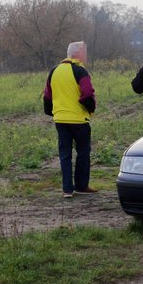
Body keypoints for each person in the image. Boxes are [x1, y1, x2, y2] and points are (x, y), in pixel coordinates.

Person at [43, 41, 98, 198]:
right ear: (79, 54)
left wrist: (52, 112)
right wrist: (91, 108)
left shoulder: (54, 71)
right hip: (79, 120)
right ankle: (81, 186)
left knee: (65, 155)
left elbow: (47, 95)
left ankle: (67, 190)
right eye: (85, 52)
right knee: (83, 152)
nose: (86, 56)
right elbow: (87, 93)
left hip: (60, 120)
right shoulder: (80, 71)